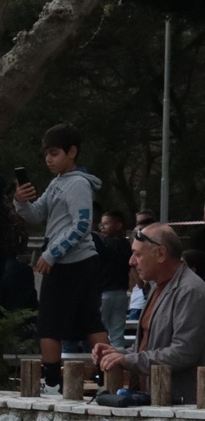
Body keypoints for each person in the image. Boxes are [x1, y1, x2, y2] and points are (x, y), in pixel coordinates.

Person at [13, 123, 107, 389]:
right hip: (75, 261)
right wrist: (20, 200)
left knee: (50, 323)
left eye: (54, 153)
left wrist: (52, 254)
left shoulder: (77, 184)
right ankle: (106, 374)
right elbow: (36, 215)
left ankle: (52, 379)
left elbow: (82, 225)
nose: (48, 159)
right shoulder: (58, 183)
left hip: (72, 262)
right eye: (46, 154)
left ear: (72, 152)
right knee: (89, 319)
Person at [92, 223, 205, 404]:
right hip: (156, 399)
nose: (131, 261)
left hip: (179, 404)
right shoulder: (156, 286)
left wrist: (128, 359)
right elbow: (146, 349)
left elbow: (184, 352)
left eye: (138, 254)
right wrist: (116, 353)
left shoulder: (191, 291)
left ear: (160, 254)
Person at [96, 210, 134, 348]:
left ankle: (100, 360)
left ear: (118, 225)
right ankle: (118, 357)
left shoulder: (103, 245)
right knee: (117, 331)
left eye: (106, 223)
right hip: (121, 293)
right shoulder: (126, 245)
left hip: (105, 292)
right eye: (102, 224)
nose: (103, 227)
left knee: (99, 329)